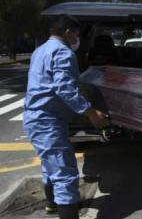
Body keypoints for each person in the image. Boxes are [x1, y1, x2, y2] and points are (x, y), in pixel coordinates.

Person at [23, 15, 108, 219]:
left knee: (50, 165)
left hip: (36, 118)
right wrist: (92, 113)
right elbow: (66, 89)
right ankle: (66, 212)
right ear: (69, 33)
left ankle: (53, 205)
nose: (77, 40)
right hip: (47, 121)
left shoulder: (40, 51)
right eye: (76, 35)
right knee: (65, 175)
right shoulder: (63, 53)